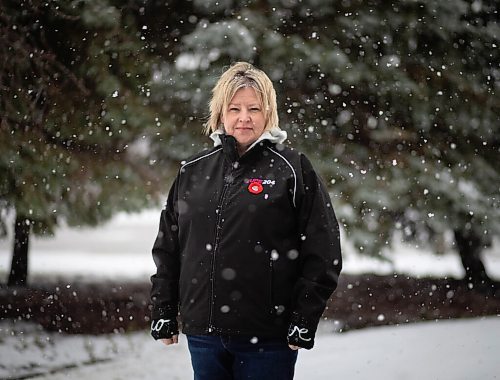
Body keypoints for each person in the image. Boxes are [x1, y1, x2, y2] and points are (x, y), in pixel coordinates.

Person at [150, 61, 342, 380]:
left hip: (268, 338)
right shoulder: (193, 171)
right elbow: (168, 248)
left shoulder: (292, 169)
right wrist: (164, 310)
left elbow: (323, 253)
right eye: (235, 108)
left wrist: (303, 318)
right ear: (221, 113)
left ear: (268, 113)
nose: (244, 118)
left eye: (254, 108)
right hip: (203, 335)